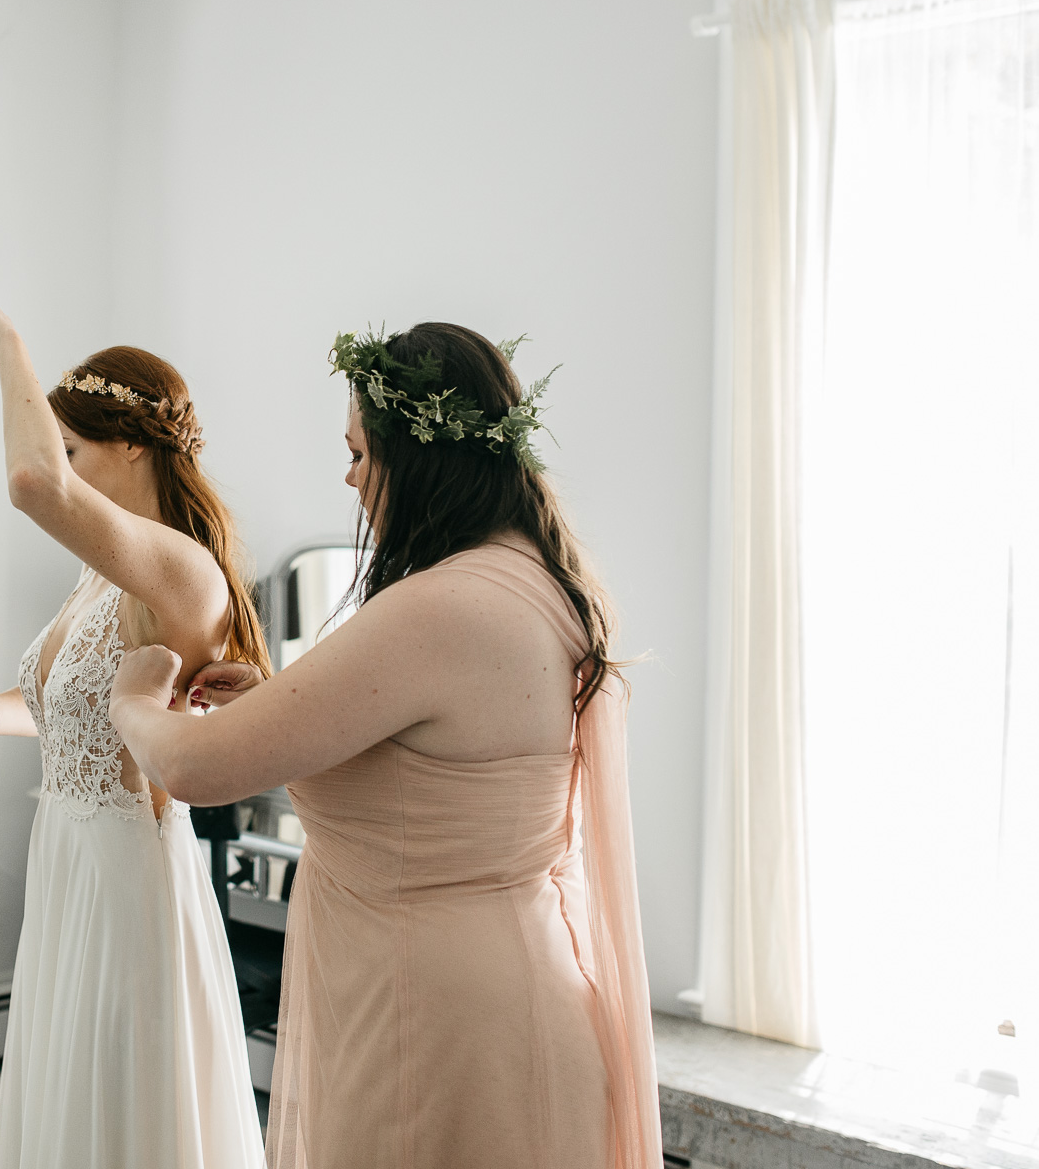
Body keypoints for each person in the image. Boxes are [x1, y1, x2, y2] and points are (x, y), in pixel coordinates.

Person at [109, 323, 662, 1169]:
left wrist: (135, 698)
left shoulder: (439, 605)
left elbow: (194, 769)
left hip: (434, 1018)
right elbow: (445, 765)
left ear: (419, 458)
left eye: (362, 452)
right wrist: (284, 707)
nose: (351, 476)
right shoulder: (547, 582)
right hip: (514, 989)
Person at [0, 296, 268, 1169]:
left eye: (76, 447)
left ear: (130, 443)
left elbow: (30, 483)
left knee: (120, 1106)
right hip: (68, 861)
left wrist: (12, 349)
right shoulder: (98, 579)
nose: (66, 468)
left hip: (127, 876)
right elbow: (77, 711)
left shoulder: (183, 568)